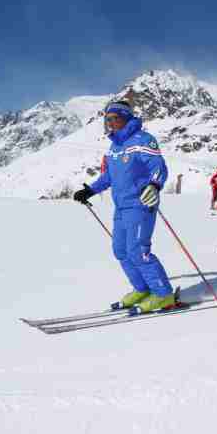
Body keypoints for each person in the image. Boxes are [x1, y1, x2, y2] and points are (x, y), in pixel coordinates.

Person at [72, 101, 175, 313]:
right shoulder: (114, 146)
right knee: (121, 251)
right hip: (121, 207)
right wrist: (90, 190)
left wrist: (154, 186)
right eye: (106, 119)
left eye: (114, 118)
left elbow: (159, 167)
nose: (110, 122)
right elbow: (109, 176)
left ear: (125, 117)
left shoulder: (143, 140)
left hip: (141, 204)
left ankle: (163, 294)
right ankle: (143, 289)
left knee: (138, 251)